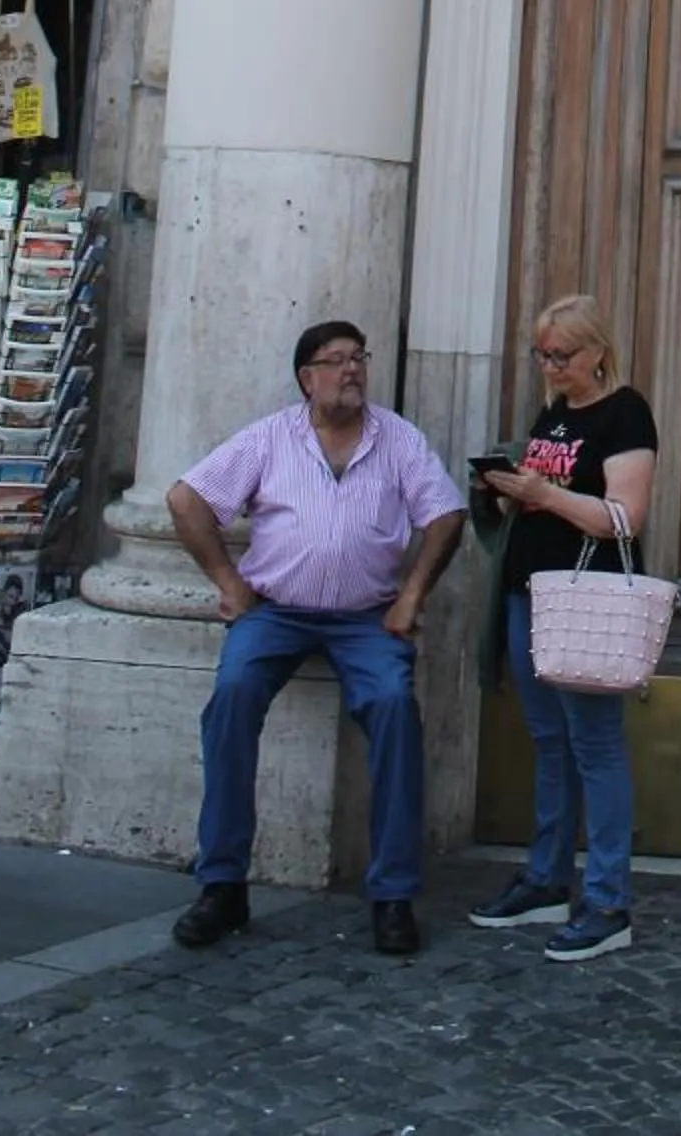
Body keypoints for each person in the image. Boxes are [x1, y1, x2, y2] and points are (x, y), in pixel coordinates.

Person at [165, 319, 466, 958]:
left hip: (366, 617)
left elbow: (446, 514)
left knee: (391, 706)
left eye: (359, 358)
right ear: (308, 378)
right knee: (233, 697)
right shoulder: (271, 438)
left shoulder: (399, 441)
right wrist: (227, 581)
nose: (351, 371)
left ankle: (392, 894)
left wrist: (411, 596)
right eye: (335, 361)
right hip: (276, 612)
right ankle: (221, 885)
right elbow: (186, 499)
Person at [469, 292, 657, 962]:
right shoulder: (554, 413)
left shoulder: (625, 413)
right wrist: (505, 489)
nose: (550, 368)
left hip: (587, 598)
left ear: (598, 351)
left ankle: (608, 900)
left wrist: (544, 495)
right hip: (532, 591)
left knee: (595, 744)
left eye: (563, 356)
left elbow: (624, 517)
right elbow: (547, 494)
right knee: (550, 739)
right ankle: (547, 878)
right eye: (543, 355)